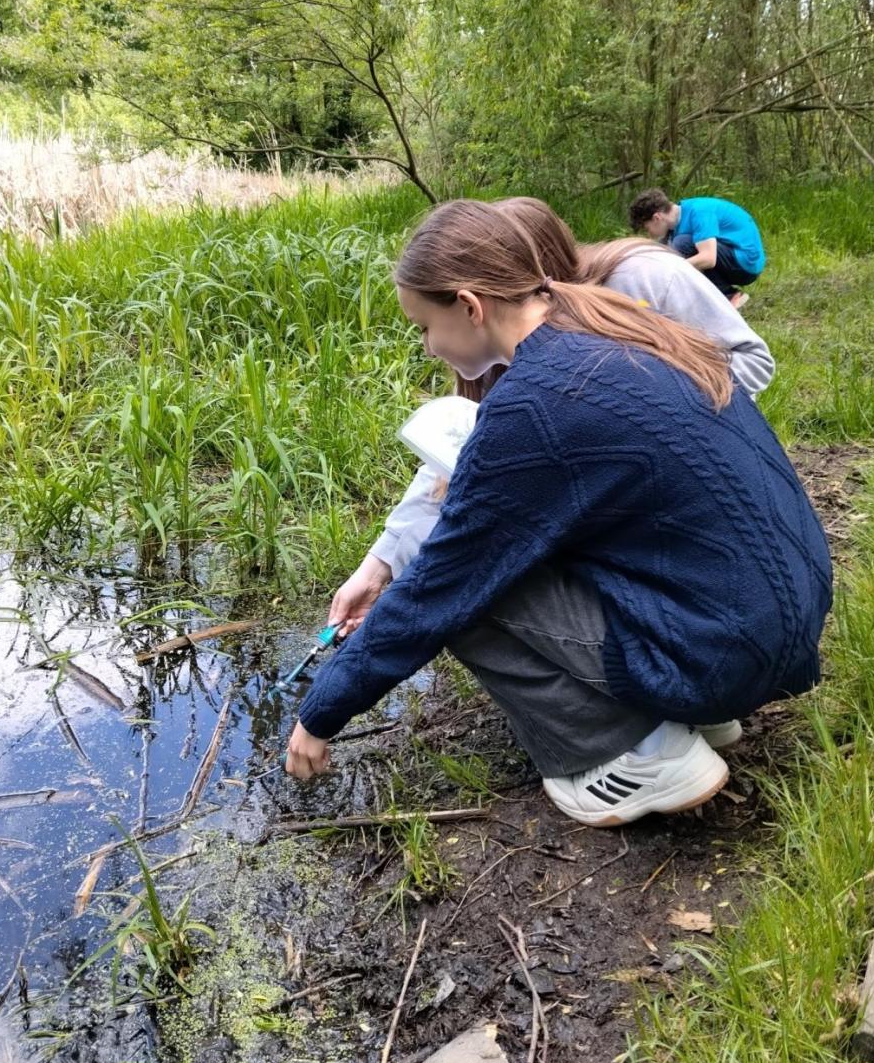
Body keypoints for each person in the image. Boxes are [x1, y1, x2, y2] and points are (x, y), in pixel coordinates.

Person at [283, 200, 831, 827]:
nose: (428, 346)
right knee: (515, 546)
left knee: (467, 591)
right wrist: (376, 566)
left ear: (469, 304)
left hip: (727, 650)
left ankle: (640, 758)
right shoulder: (611, 326)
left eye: (424, 326)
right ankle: (699, 709)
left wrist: (320, 711)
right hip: (780, 618)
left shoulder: (538, 404)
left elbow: (439, 588)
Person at [330, 199, 774, 629]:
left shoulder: (641, 276)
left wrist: (636, 424)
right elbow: (460, 452)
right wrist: (377, 567)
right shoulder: (498, 339)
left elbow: (751, 360)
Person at [629, 188, 766, 308]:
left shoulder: (699, 212)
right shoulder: (676, 223)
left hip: (746, 264)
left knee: (683, 245)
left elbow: (708, 258)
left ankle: (728, 295)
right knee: (675, 248)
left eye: (647, 229)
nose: (649, 234)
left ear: (657, 218)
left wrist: (672, 268)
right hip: (728, 256)